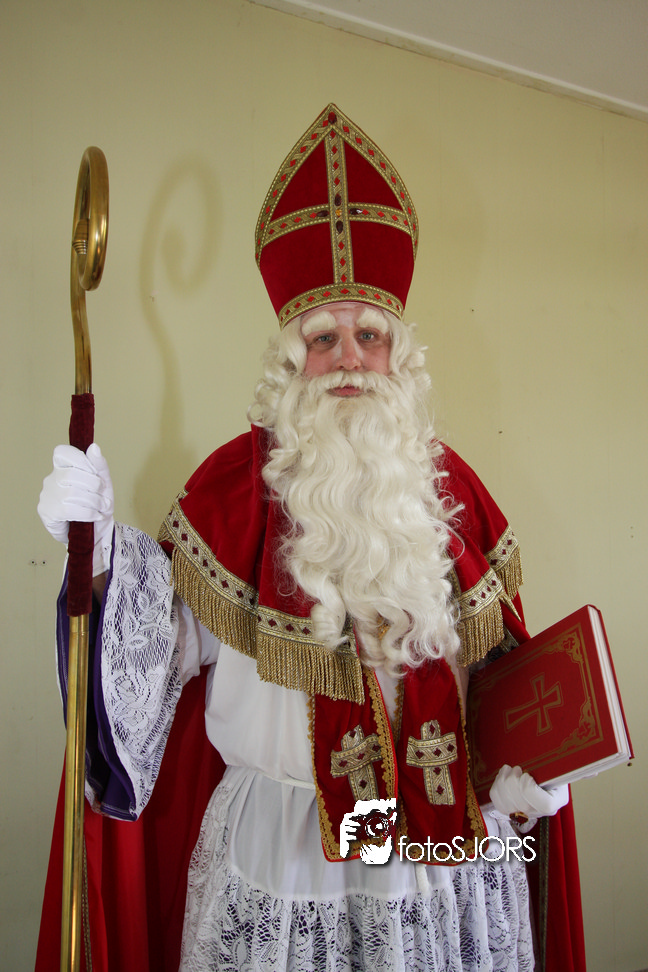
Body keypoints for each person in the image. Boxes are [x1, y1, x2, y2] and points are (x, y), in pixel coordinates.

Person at [36, 104, 585, 972]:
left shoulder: (453, 494)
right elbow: (152, 665)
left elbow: (505, 684)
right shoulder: (232, 492)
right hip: (285, 868)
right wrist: (99, 554)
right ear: (291, 360)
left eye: (370, 336)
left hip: (440, 864)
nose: (350, 359)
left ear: (400, 357)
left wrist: (531, 778)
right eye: (324, 338)